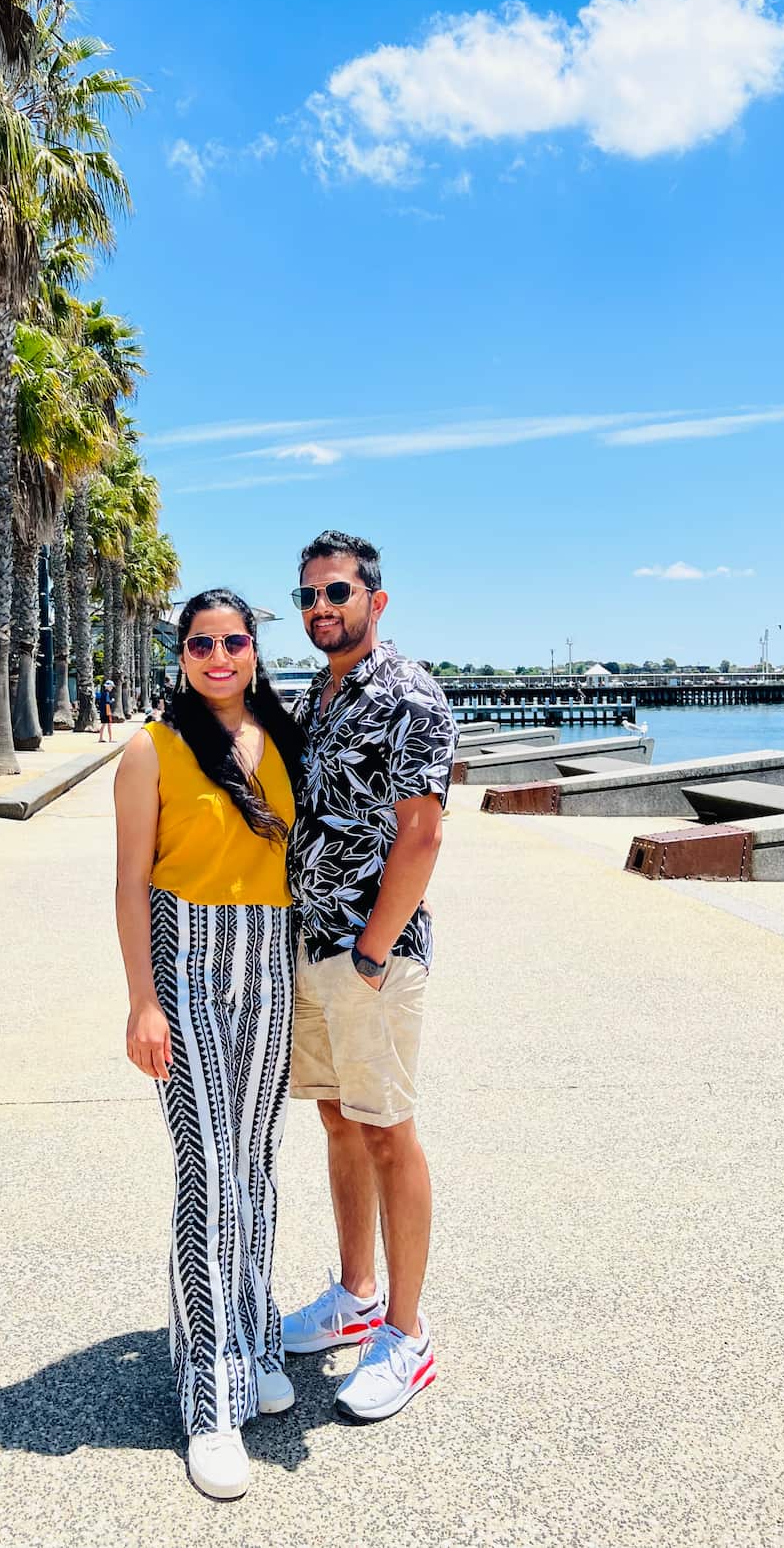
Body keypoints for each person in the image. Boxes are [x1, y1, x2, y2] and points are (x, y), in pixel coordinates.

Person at [113, 589, 304, 1502]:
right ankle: (208, 1396)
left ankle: (259, 1333)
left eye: (233, 641)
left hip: (268, 959)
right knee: (207, 1169)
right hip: (184, 959)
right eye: (201, 643)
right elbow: (126, 884)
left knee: (257, 1160)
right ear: (180, 653)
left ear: (254, 649)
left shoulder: (284, 736)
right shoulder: (151, 748)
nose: (218, 656)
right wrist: (141, 1000)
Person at [282, 530, 456, 1422]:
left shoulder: (409, 694)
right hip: (315, 943)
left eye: (338, 591)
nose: (323, 606)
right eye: (311, 593)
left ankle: (408, 1333)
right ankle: (354, 1293)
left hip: (370, 952)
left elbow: (421, 834)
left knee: (389, 1129)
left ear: (375, 601)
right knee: (339, 1118)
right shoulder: (320, 692)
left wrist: (375, 950)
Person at [96, 678, 115, 743]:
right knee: (109, 725)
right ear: (109, 687)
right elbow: (107, 702)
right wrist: (111, 701)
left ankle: (100, 738)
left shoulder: (103, 693)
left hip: (103, 711)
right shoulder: (107, 693)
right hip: (107, 711)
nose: (112, 688)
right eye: (111, 687)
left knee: (103, 725)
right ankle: (110, 739)